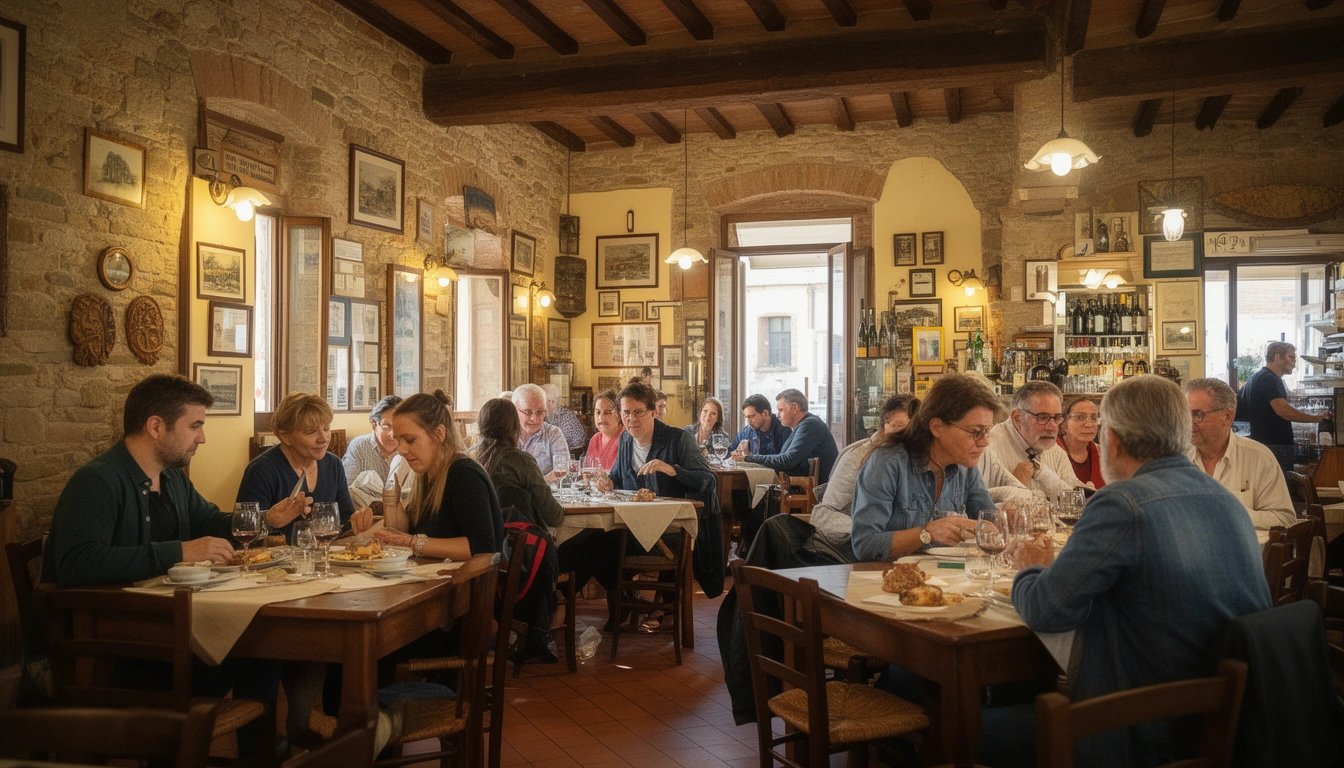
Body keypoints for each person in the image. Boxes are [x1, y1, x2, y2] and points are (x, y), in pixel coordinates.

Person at [999, 375, 1271, 768]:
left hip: (1134, 730)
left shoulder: (1122, 503)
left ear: (1114, 440)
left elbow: (1046, 610)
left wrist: (1031, 569)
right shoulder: (1225, 501)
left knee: (966, 733)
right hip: (1224, 726)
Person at [39, 374, 286, 756]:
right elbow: (76, 563)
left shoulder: (172, 479)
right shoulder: (97, 481)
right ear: (156, 426)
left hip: (166, 632)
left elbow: (210, 521)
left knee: (268, 647)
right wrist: (179, 551)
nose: (201, 438)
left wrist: (268, 518)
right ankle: (178, 753)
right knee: (259, 651)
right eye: (195, 425)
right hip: (121, 652)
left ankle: (258, 759)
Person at [595, 378, 724, 597]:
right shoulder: (626, 439)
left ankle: (648, 606)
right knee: (594, 541)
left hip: (671, 532)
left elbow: (708, 481)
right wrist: (607, 482)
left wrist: (673, 470)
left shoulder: (678, 439)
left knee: (604, 545)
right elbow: (617, 476)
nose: (631, 419)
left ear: (654, 411)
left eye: (638, 412)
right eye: (626, 412)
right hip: (634, 526)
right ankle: (624, 601)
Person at [849, 374, 991, 562]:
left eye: (988, 431)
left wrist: (1002, 526)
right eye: (975, 432)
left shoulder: (964, 465)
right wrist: (928, 532)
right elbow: (865, 545)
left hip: (944, 579)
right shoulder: (888, 462)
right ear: (937, 427)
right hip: (886, 580)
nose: (985, 442)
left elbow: (990, 521)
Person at [471, 398, 564, 659]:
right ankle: (543, 630)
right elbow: (553, 515)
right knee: (584, 548)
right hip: (522, 558)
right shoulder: (521, 461)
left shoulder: (468, 459)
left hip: (478, 555)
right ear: (514, 428)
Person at [370, 390, 503, 560]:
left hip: (465, 583)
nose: (401, 450)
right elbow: (412, 529)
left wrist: (412, 542)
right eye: (399, 441)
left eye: (410, 440)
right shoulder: (426, 474)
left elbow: (482, 548)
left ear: (439, 434)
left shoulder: (464, 474)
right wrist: (392, 504)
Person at [237, 392, 372, 544]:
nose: (323, 438)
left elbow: (344, 520)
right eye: (310, 432)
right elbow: (245, 534)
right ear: (285, 436)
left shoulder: (333, 464)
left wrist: (358, 520)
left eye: (326, 429)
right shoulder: (261, 470)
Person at [809, 394, 918, 555]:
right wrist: (867, 532)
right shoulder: (859, 457)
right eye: (894, 425)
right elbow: (823, 516)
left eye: (906, 427)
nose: (899, 433)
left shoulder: (917, 460)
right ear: (884, 426)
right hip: (850, 551)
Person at [1185, 377, 1295, 530]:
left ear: (1227, 417)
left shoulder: (1258, 457)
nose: (1189, 422)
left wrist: (1232, 513)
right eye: (1185, 414)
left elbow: (1284, 519)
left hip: (1243, 552)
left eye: (1197, 414)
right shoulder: (1177, 458)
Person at [985, 380, 1083, 499]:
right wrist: (1015, 488)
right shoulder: (989, 448)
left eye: (1057, 417)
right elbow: (979, 509)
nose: (1052, 427)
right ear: (1017, 418)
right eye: (1042, 417)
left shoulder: (1054, 450)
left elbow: (1074, 499)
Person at [1241, 341, 1327, 474]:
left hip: (1262, 443)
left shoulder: (1255, 377)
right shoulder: (1271, 379)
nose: (1294, 362)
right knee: (1281, 488)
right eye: (1291, 357)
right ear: (1277, 357)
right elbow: (1283, 410)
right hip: (1276, 446)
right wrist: (1317, 419)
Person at [731, 389, 838, 483]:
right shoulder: (801, 426)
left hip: (814, 492)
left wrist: (747, 458)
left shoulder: (809, 425)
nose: (777, 415)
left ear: (794, 408)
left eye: (781, 410)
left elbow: (786, 461)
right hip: (798, 485)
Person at [343, 395, 406, 508]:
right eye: (386, 426)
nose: (393, 434)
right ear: (374, 425)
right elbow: (347, 491)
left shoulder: (407, 449)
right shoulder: (359, 446)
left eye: (398, 427)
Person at [513, 383, 570, 483]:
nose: (534, 418)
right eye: (528, 412)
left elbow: (562, 473)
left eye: (540, 412)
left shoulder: (553, 434)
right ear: (514, 410)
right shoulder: (505, 435)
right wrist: (545, 480)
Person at [1057, 395, 1104, 489]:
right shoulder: (1050, 452)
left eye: (1094, 418)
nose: (1089, 424)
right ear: (1063, 424)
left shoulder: (1103, 453)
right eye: (1080, 417)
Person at [584, 389, 623, 472]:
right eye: (598, 412)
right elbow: (587, 472)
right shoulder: (595, 439)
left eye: (607, 412)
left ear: (619, 415)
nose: (601, 418)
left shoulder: (626, 438)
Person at [542, 382, 587, 451]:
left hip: (571, 453)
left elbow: (562, 442)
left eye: (553, 401)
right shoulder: (543, 415)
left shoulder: (566, 416)